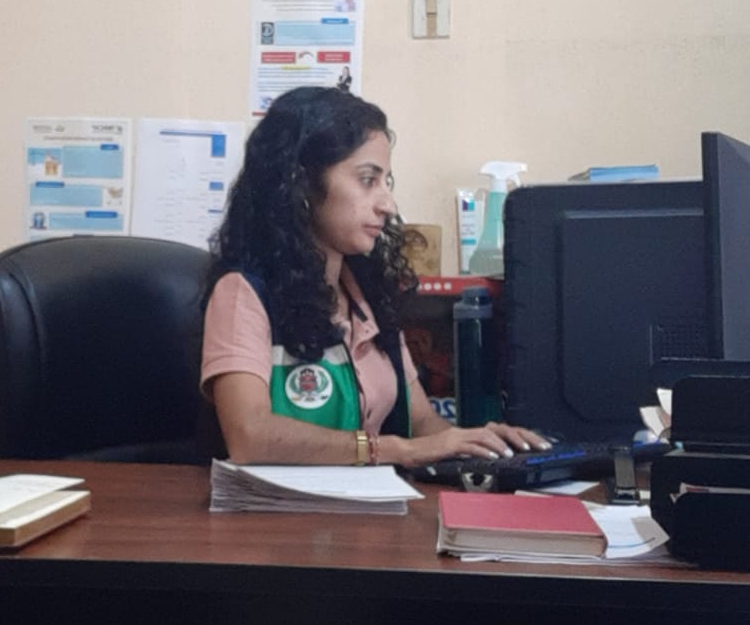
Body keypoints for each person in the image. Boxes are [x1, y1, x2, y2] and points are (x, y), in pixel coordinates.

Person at [201, 85, 546, 466]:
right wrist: (392, 449)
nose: (388, 204)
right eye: (368, 180)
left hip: (368, 501)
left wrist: (481, 444)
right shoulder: (243, 292)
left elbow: (421, 422)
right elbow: (250, 435)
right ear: (301, 184)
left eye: (387, 182)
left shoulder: (367, 293)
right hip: (279, 505)